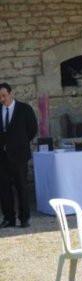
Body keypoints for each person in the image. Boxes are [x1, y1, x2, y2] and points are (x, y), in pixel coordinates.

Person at [0, 83, 38, 228]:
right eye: (0, 97)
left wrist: (20, 143)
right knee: (4, 188)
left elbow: (32, 129)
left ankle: (24, 218)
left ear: (11, 94)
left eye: (4, 96)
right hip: (2, 157)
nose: (2, 99)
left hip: (19, 155)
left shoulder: (24, 109)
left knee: (21, 186)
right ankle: (9, 218)